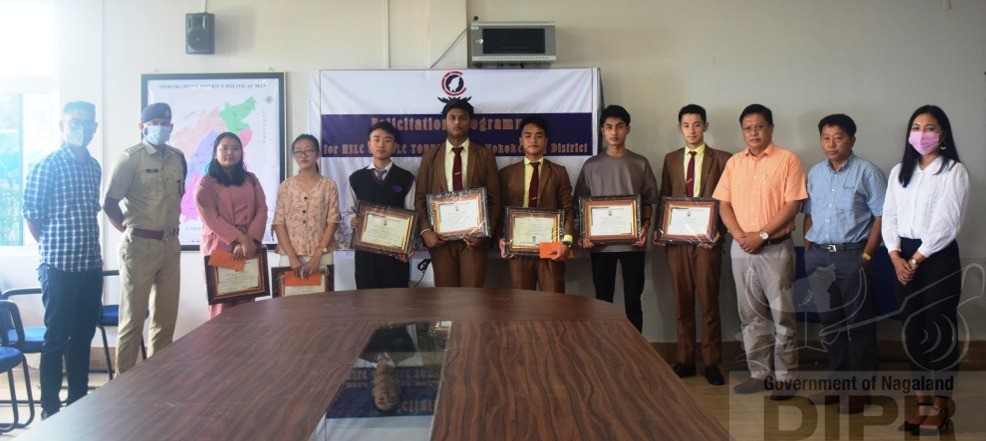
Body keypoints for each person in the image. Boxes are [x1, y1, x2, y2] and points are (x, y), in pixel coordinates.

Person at [882, 105, 968, 435]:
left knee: (939, 332)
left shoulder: (954, 172)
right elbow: (888, 216)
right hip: (901, 256)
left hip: (938, 258)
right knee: (913, 330)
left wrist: (915, 260)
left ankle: (942, 406)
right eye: (916, 127)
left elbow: (948, 225)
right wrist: (893, 256)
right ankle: (922, 405)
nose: (922, 133)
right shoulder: (899, 172)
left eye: (930, 128)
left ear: (943, 135)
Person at [712, 104, 806, 399]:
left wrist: (762, 235)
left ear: (771, 128)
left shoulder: (788, 160)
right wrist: (740, 236)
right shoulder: (734, 163)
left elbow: (794, 204)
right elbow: (723, 204)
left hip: (775, 248)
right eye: (748, 127)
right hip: (741, 249)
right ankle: (759, 374)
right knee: (749, 314)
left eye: (760, 126)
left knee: (782, 315)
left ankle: (786, 378)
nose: (753, 132)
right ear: (742, 131)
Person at [21, 101, 103, 418]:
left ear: (95, 128)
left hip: (90, 265)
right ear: (62, 125)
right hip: (58, 266)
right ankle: (50, 411)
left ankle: (79, 403)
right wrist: (51, 246)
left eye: (87, 123)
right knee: (56, 338)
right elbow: (32, 215)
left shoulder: (93, 166)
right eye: (74, 122)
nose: (80, 128)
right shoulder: (48, 165)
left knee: (83, 336)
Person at [802, 114, 886, 414]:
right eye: (825, 137)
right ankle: (836, 384)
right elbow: (809, 211)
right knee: (831, 324)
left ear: (851, 139)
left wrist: (867, 255)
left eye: (838, 137)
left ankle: (860, 390)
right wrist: (808, 243)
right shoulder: (814, 173)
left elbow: (882, 216)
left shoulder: (868, 172)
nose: (831, 143)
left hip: (854, 256)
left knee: (859, 324)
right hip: (819, 257)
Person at [104, 102, 186, 375]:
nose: (161, 128)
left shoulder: (177, 158)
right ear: (142, 127)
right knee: (132, 319)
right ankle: (123, 382)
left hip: (170, 245)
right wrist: (130, 232)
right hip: (139, 246)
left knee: (165, 319)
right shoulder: (130, 159)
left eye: (166, 123)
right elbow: (109, 203)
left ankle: (157, 379)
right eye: (155, 123)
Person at [653, 104, 730, 385]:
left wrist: (720, 231)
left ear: (706, 126)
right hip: (677, 243)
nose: (692, 130)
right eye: (686, 125)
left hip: (708, 243)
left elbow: (728, 202)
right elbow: (664, 197)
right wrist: (661, 231)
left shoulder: (722, 158)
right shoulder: (671, 159)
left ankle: (711, 362)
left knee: (709, 302)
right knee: (681, 301)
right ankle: (685, 359)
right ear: (679, 128)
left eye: (697, 124)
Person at [574, 105, 659, 332]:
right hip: (601, 247)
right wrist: (584, 234)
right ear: (602, 130)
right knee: (602, 301)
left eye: (619, 127)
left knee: (633, 301)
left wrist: (645, 228)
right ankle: (603, 350)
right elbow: (580, 204)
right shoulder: (591, 165)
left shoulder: (640, 163)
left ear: (628, 129)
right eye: (609, 127)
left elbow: (649, 201)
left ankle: (635, 352)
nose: (614, 133)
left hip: (634, 245)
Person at [414, 97, 501, 287]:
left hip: (474, 241)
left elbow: (495, 200)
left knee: (473, 300)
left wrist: (485, 234)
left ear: (470, 121)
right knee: (446, 300)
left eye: (462, 118)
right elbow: (420, 198)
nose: (457, 122)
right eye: (452, 117)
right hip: (440, 240)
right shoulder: (430, 156)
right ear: (445, 121)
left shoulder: (485, 155)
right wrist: (426, 231)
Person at [194, 132, 268, 318]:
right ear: (215, 153)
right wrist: (241, 240)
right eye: (224, 148)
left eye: (235, 148)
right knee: (222, 305)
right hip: (219, 250)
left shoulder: (251, 179)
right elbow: (211, 217)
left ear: (241, 153)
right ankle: (220, 348)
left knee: (247, 302)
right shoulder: (205, 183)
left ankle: (247, 348)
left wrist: (249, 241)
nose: (230, 152)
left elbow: (262, 209)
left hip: (249, 249)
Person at [497, 116, 574, 293]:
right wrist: (501, 239)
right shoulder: (506, 174)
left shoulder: (558, 172)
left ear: (545, 141)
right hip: (518, 248)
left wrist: (566, 242)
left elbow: (568, 209)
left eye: (539, 136)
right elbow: (499, 211)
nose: (533, 140)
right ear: (520, 141)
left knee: (554, 304)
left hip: (551, 248)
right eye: (528, 135)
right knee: (522, 306)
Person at [343, 121, 415, 289]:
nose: (381, 144)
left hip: (396, 253)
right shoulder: (356, 178)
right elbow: (347, 212)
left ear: (395, 146)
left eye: (387, 140)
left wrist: (408, 246)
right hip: (365, 253)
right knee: (367, 301)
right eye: (376, 139)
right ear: (369, 145)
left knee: (396, 302)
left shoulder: (406, 178)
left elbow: (411, 214)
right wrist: (352, 220)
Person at [272, 134, 340, 278]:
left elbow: (333, 221)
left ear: (317, 154)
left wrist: (317, 256)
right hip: (290, 257)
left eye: (308, 150)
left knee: (321, 300)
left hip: (321, 255)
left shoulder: (329, 185)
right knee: (290, 300)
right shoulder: (286, 186)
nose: (303, 155)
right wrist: (292, 257)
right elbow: (279, 223)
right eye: (298, 151)